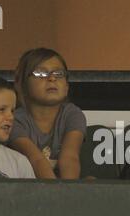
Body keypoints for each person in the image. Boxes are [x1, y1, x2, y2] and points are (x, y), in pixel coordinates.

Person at [8, 48, 87, 179]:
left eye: (59, 74)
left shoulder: (73, 114)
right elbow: (36, 159)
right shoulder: (14, 120)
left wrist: (70, 193)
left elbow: (69, 158)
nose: (52, 78)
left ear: (67, 87)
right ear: (22, 84)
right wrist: (54, 195)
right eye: (41, 73)